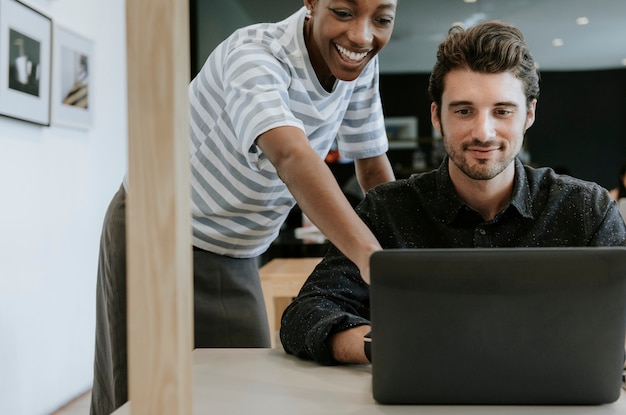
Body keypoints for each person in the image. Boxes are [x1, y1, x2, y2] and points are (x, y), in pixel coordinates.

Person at [90, 1, 398, 414]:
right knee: (142, 399)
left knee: (247, 395)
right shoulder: (255, 54)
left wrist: (409, 257)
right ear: (311, 2)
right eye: (343, 12)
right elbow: (290, 155)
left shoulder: (358, 65)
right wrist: (375, 261)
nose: (362, 36)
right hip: (155, 232)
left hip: (238, 252)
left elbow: (374, 168)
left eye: (381, 19)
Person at [280, 20, 626, 365]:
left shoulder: (585, 208)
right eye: (463, 111)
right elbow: (305, 315)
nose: (483, 132)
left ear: (529, 114)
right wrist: (386, 345)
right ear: (437, 116)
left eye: (502, 111)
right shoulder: (387, 209)